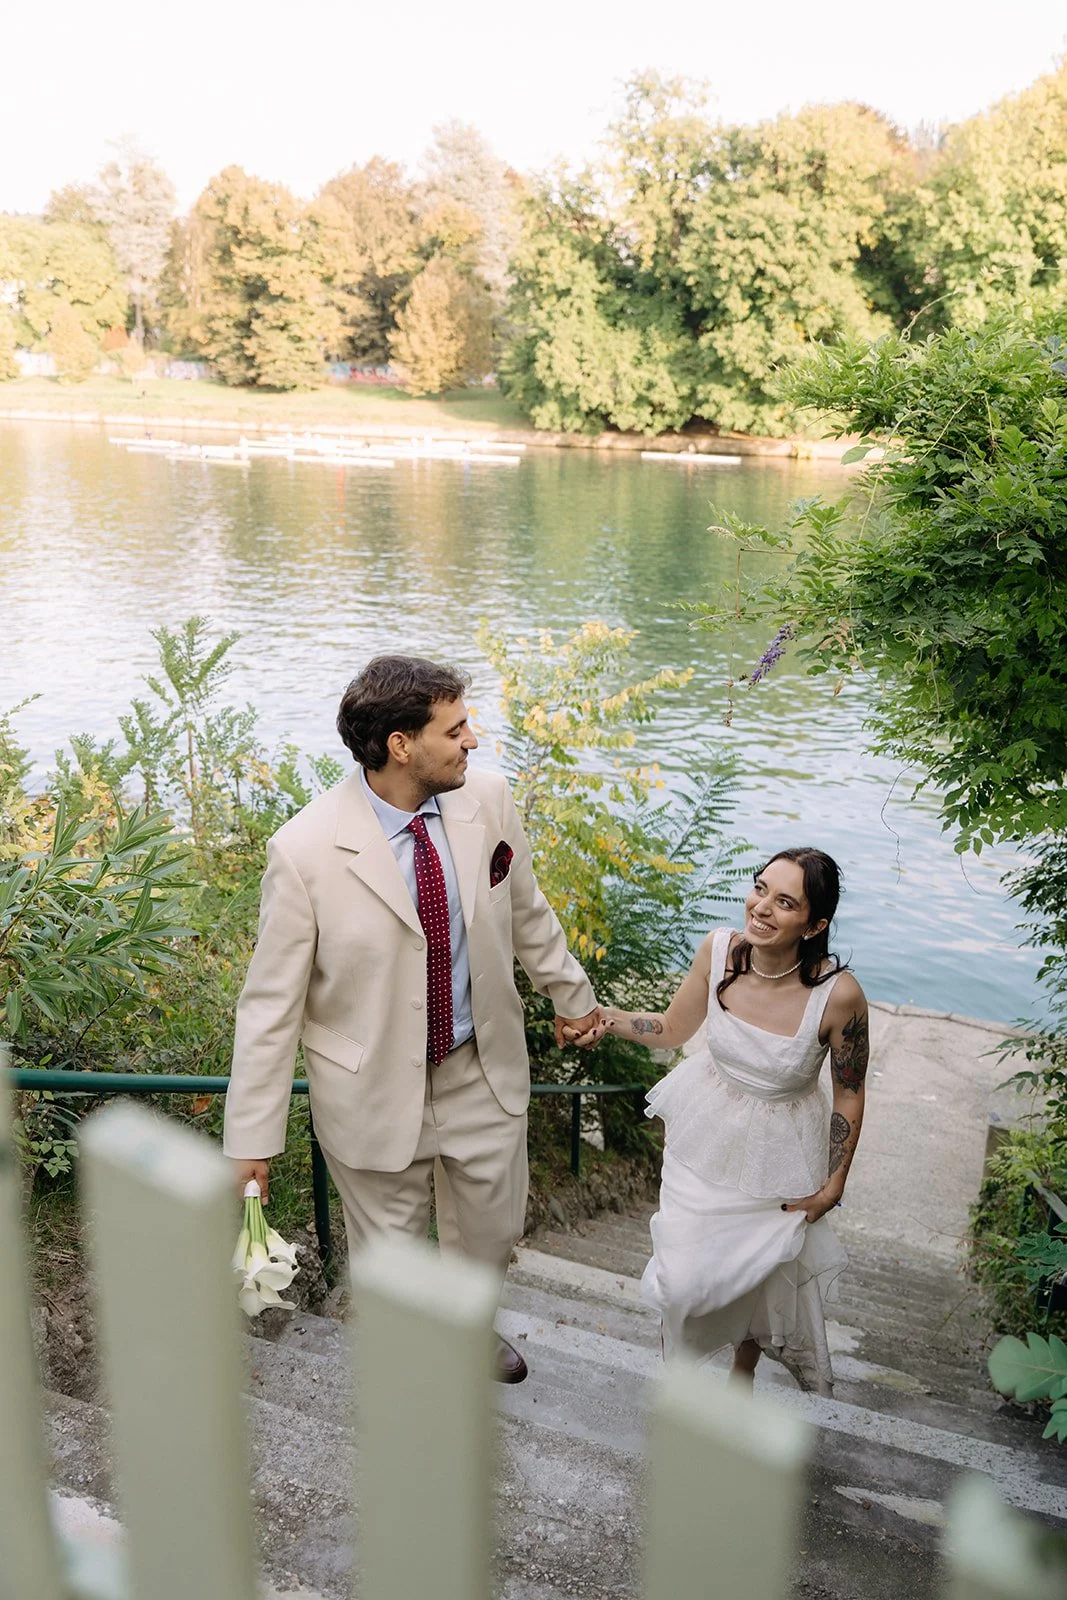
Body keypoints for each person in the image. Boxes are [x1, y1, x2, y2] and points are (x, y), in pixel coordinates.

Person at [223, 655, 601, 1384]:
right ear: (401, 744)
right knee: (389, 1263)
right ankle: (409, 1386)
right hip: (366, 1089)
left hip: (478, 1068)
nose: (474, 739)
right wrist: (251, 1139)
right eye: (455, 728)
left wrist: (571, 996)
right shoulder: (302, 852)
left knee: (491, 1236)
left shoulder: (487, 801)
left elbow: (525, 910)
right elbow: (270, 1006)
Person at [572, 847, 867, 1395]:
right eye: (760, 889)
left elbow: (849, 1094)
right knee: (682, 1280)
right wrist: (605, 1019)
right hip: (704, 1134)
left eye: (785, 902)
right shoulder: (720, 951)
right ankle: (678, 1376)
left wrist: (832, 1186)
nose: (761, 908)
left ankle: (742, 1369)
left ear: (815, 923)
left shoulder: (839, 996)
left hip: (783, 1144)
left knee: (755, 1270)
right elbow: (671, 1028)